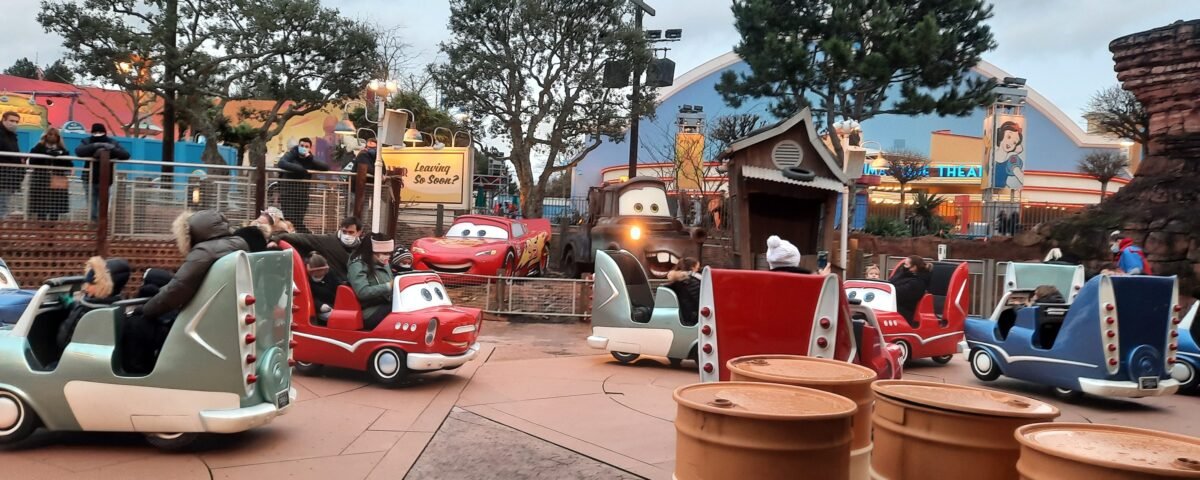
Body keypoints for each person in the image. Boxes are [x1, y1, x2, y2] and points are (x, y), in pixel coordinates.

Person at [125, 210, 248, 373]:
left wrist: (145, 309)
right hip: (223, 313)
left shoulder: (204, 252)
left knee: (138, 323)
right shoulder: (239, 243)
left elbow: (176, 290)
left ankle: (138, 371)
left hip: (202, 318)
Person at [56, 257, 131, 350]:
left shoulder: (91, 309)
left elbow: (66, 337)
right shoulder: (114, 304)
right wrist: (72, 304)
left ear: (103, 285)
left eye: (91, 284)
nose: (86, 288)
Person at [75, 123, 131, 221]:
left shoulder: (112, 142)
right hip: (89, 178)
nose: (98, 134)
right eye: (96, 132)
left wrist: (111, 149)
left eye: (100, 132)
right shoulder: (87, 141)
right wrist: (95, 146)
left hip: (106, 180)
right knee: (92, 207)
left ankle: (101, 226)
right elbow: (79, 152)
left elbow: (125, 155)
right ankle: (93, 225)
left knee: (103, 206)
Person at [277, 216, 364, 276]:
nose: (347, 235)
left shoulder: (363, 248)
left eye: (351, 232)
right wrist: (276, 238)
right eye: (344, 232)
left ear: (359, 232)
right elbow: (303, 238)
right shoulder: (329, 241)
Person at [276, 137, 329, 233]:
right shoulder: (291, 154)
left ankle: (298, 235)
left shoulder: (309, 159)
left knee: (299, 218)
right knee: (290, 218)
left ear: (310, 148)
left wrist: (309, 158)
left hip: (302, 193)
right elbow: (282, 163)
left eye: (306, 146)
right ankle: (302, 233)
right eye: (302, 145)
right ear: (298, 145)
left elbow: (325, 167)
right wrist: (300, 169)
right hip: (288, 193)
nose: (303, 147)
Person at [348, 234, 395, 330]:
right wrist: (388, 286)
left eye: (389, 253)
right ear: (372, 252)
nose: (388, 256)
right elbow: (362, 292)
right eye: (384, 253)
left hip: (386, 303)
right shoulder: (357, 265)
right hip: (369, 311)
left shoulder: (384, 263)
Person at [28, 128, 72, 220]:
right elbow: (32, 161)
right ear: (46, 136)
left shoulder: (63, 150)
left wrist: (60, 155)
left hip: (57, 179)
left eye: (55, 135)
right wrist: (46, 153)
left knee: (55, 207)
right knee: (41, 206)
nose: (52, 137)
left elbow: (69, 165)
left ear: (58, 137)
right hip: (41, 180)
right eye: (50, 134)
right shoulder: (39, 147)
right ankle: (41, 228)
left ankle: (52, 230)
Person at [890, 255, 932, 324]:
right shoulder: (904, 275)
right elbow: (890, 283)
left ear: (914, 267)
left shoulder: (917, 283)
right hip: (896, 307)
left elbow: (898, 294)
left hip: (904, 313)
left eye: (906, 265)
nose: (904, 267)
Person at [0, 111, 24, 218]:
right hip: (4, 174)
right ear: (3, 120)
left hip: (9, 177)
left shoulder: (12, 136)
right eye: (11, 120)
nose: (14, 123)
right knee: (3, 206)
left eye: (16, 121)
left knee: (4, 204)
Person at [666, 258, 702, 326]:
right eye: (697, 268)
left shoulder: (678, 280)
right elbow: (700, 300)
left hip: (684, 315)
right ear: (692, 268)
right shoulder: (691, 281)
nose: (698, 270)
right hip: (693, 317)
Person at [307, 253, 338, 324]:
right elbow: (308, 297)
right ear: (311, 271)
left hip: (335, 306)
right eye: (318, 270)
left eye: (323, 270)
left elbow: (338, 288)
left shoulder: (330, 275)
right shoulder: (308, 281)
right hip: (319, 310)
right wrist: (319, 306)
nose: (321, 272)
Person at [350, 138, 378, 209]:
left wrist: (380, 173)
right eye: (369, 147)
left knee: (363, 209)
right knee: (354, 208)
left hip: (365, 188)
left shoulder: (377, 157)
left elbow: (383, 169)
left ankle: (360, 220)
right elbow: (368, 169)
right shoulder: (363, 154)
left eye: (374, 148)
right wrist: (380, 174)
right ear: (366, 147)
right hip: (356, 188)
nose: (371, 149)